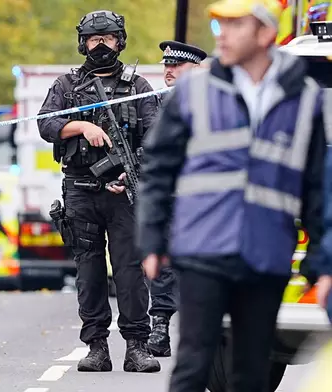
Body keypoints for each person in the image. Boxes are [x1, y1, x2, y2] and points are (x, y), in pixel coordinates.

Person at [135, 0, 328, 391]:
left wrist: (324, 262)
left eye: (235, 25)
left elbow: (316, 189)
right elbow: (158, 169)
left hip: (267, 255)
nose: (222, 34)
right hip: (203, 251)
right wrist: (152, 239)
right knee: (192, 366)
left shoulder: (303, 98)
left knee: (252, 372)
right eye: (220, 25)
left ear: (265, 33)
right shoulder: (194, 91)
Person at [37, 10, 161, 373]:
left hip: (124, 195)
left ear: (120, 41)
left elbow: (156, 137)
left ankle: (137, 346)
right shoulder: (66, 86)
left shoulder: (138, 87)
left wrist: (129, 170)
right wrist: (78, 126)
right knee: (88, 272)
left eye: (108, 38)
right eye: (95, 39)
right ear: (84, 43)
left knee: (129, 270)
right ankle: (96, 346)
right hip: (80, 191)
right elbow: (46, 123)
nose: (102, 45)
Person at [147, 39, 207, 358]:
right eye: (167, 65)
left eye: (176, 65)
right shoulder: (156, 102)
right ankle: (160, 327)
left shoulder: (212, 102)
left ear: (195, 69)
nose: (169, 70)